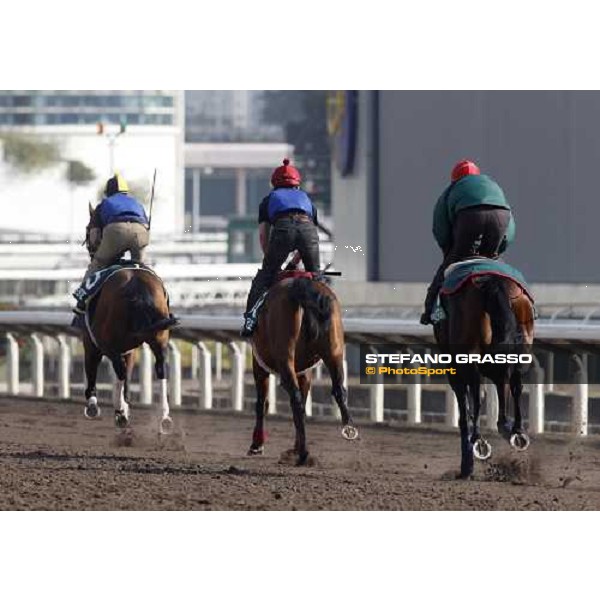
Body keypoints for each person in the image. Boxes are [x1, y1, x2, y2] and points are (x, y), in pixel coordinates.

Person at [420, 159, 515, 325]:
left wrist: (449, 252)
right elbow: (511, 229)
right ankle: (525, 308)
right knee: (496, 264)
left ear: (455, 179)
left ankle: (430, 312)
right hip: (501, 217)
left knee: (447, 266)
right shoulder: (492, 185)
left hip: (469, 217)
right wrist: (498, 251)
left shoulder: (452, 190)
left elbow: (440, 228)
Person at [240, 158, 320, 337]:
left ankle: (250, 321)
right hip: (308, 231)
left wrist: (271, 264)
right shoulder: (307, 201)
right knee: (317, 278)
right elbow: (310, 236)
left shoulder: (268, 201)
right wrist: (294, 263)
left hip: (283, 230)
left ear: (274, 185)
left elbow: (263, 236)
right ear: (297, 185)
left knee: (264, 278)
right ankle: (324, 319)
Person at [74, 173, 150, 315]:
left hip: (116, 231)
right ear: (126, 191)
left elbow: (95, 235)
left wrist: (99, 250)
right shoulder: (137, 203)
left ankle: (82, 299)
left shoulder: (104, 204)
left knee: (98, 264)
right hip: (140, 231)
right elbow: (145, 224)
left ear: (109, 192)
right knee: (143, 269)